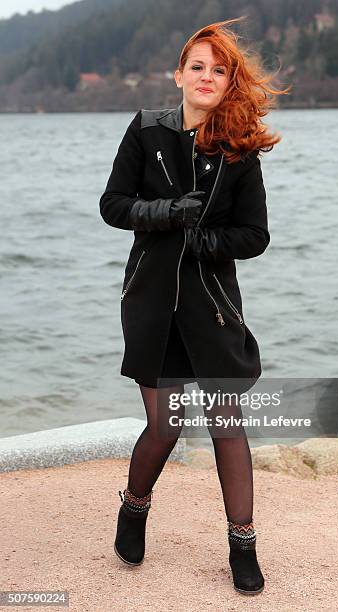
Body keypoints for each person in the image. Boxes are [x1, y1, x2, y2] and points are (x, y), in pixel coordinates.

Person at [99, 16, 290, 595]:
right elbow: (113, 205)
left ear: (230, 81)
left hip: (210, 305)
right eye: (198, 66)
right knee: (166, 425)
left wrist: (204, 239)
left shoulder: (239, 151)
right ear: (179, 74)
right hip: (152, 300)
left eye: (220, 69)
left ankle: (243, 546)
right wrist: (163, 216)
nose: (207, 76)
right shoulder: (145, 130)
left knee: (226, 422)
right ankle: (134, 508)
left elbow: (255, 235)